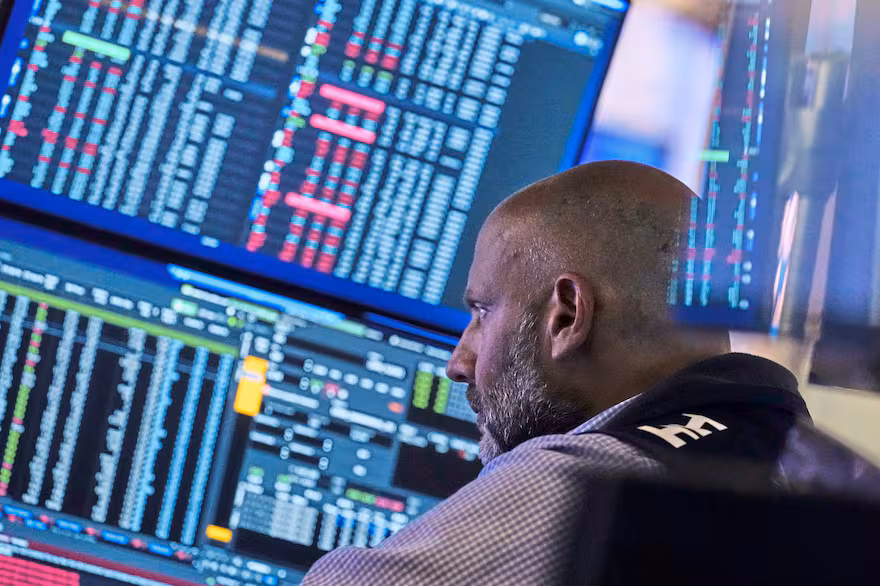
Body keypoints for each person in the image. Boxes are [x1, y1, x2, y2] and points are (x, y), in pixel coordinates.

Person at [302, 161, 880, 585]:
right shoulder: (815, 465)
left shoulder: (580, 476)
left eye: (482, 313)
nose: (459, 362)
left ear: (567, 316)